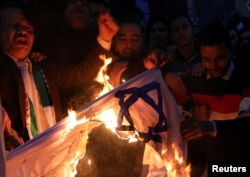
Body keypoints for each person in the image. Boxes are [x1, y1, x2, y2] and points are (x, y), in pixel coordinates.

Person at [0, 4, 64, 142]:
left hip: (54, 153)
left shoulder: (45, 67)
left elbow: (82, 73)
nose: (23, 31)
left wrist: (105, 39)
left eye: (28, 28)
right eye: (14, 25)